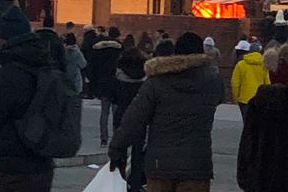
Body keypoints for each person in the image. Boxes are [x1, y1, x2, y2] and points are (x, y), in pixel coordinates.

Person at [109, 32, 223, 192]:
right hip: (197, 165)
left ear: (176, 52)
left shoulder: (157, 82)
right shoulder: (212, 82)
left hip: (159, 164)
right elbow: (219, 98)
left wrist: (117, 148)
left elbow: (134, 119)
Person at [0, 7, 54, 192]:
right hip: (41, 165)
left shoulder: (8, 76)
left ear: (3, 38)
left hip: (6, 168)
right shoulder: (46, 69)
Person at [113, 46, 148, 192]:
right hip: (140, 118)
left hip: (121, 114)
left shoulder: (118, 75)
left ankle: (119, 181)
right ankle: (135, 184)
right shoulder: (146, 77)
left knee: (120, 150)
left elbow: (113, 96)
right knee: (137, 152)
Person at [89, 28, 123, 147]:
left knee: (104, 112)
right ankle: (116, 137)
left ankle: (103, 139)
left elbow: (93, 66)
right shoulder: (120, 49)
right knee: (116, 112)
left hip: (103, 83)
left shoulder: (99, 48)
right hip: (116, 83)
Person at [231, 42, 270, 121]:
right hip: (260, 98)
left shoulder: (241, 64)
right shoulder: (264, 65)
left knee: (246, 122)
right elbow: (267, 83)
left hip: (244, 98)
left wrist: (236, 98)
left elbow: (235, 83)